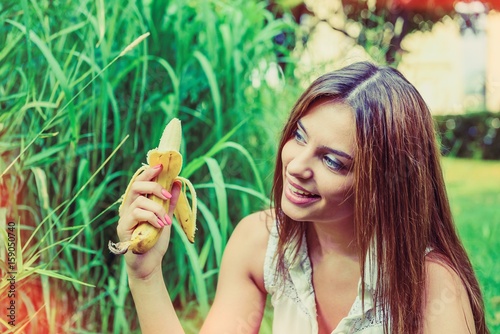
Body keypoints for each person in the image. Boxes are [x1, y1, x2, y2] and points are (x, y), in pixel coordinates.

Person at [115, 61, 489, 334]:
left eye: (332, 160)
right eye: (299, 136)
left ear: (382, 186)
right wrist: (145, 276)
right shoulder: (259, 240)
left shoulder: (432, 284)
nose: (296, 166)